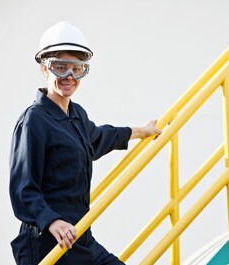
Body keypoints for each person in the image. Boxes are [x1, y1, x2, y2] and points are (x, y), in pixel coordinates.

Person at [9, 21, 162, 265]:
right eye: (61, 68)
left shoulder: (76, 114)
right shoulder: (34, 120)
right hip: (48, 241)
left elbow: (99, 137)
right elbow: (23, 187)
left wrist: (140, 131)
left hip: (80, 236)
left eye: (77, 69)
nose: (69, 77)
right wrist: (51, 220)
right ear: (46, 69)